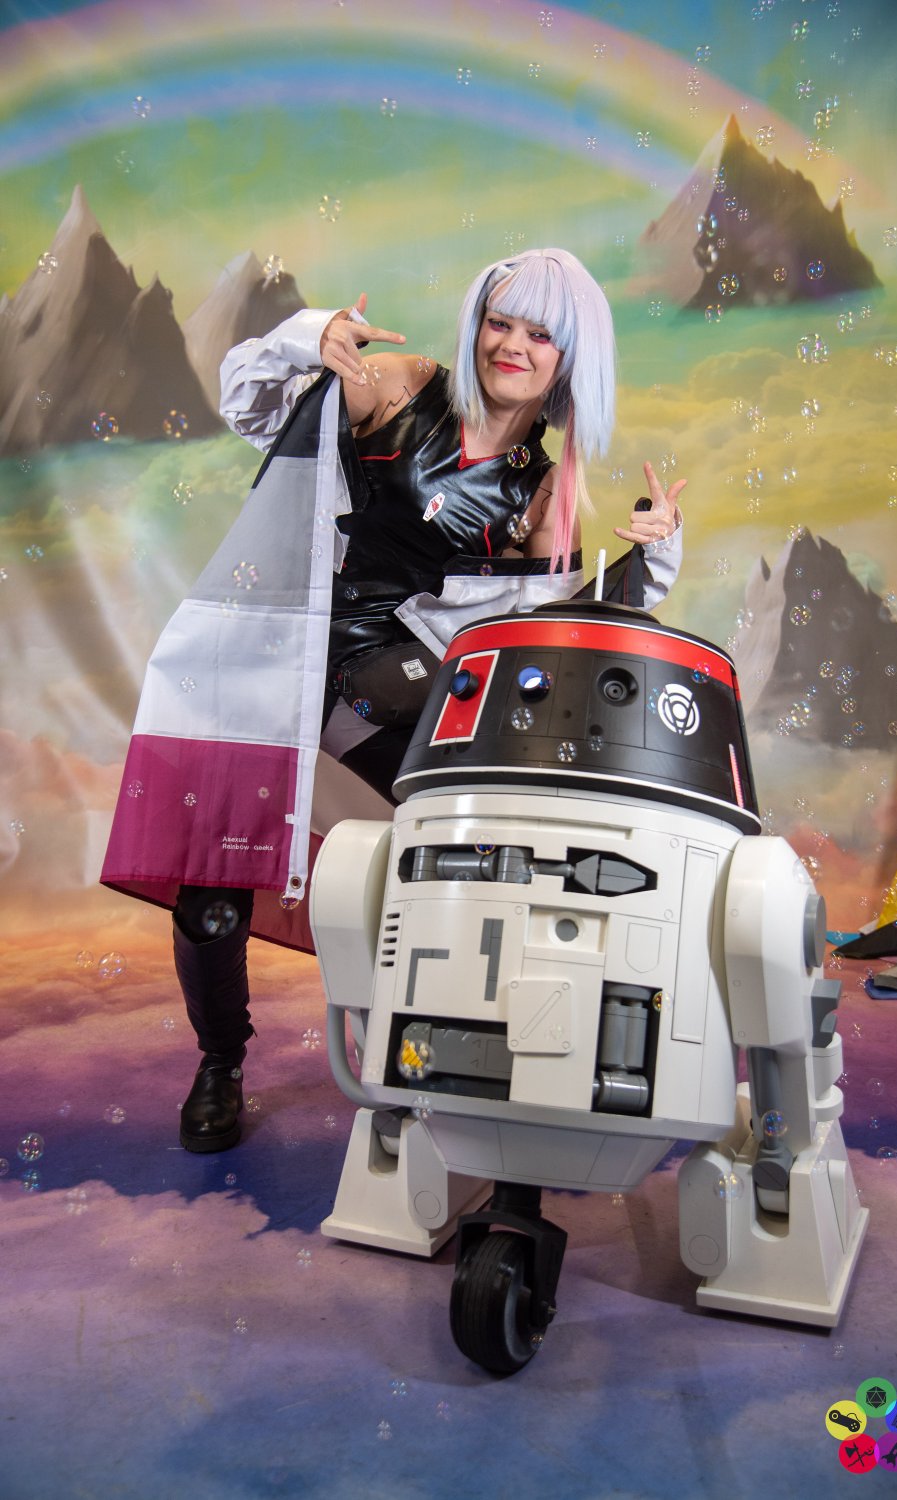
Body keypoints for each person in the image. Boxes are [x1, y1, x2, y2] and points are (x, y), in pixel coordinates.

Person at [101, 248, 686, 1153]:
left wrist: (651, 560)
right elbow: (255, 409)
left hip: (385, 685)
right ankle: (221, 1062)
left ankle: (445, 1052)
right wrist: (311, 341)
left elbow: (543, 630)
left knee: (467, 852)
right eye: (499, 321)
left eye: (539, 334)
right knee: (212, 875)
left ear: (571, 356)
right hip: (275, 649)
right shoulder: (407, 386)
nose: (511, 346)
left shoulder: (543, 486)